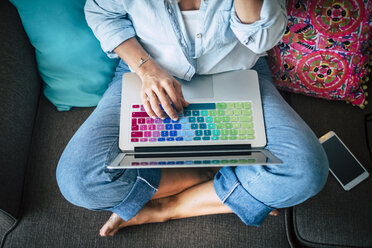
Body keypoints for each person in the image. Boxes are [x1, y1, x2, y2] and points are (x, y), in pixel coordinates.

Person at [56, 0, 329, 237]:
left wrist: (171, 207)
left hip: (236, 73)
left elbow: (262, 40)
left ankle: (171, 207)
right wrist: (147, 69)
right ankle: (213, 173)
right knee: (78, 181)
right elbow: (102, 13)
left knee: (306, 172)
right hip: (147, 72)